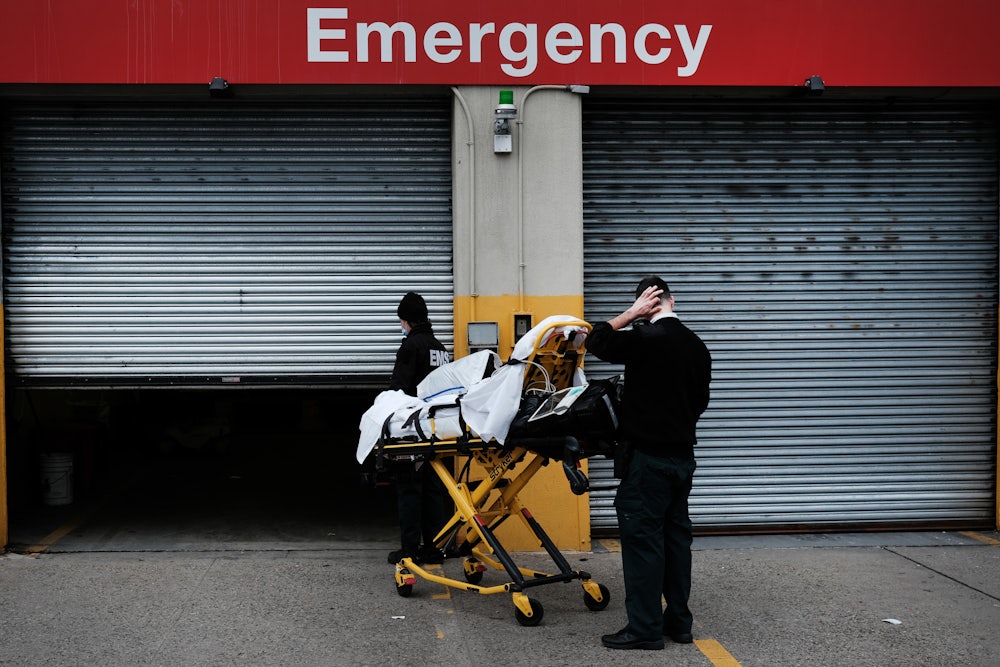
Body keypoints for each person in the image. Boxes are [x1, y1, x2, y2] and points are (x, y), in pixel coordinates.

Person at [585, 276, 712, 651]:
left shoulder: (645, 339)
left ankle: (644, 629)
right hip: (682, 460)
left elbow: (596, 340)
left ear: (646, 305)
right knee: (675, 542)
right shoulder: (697, 345)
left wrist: (629, 314)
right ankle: (679, 623)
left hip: (648, 462)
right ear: (674, 301)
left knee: (643, 543)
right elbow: (700, 403)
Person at [387, 291, 451, 565]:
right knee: (434, 489)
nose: (401, 325)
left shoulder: (410, 347)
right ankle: (434, 548)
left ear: (407, 320)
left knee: (409, 488)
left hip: (413, 429)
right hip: (438, 428)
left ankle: (410, 549)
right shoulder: (440, 348)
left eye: (401, 320)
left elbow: (399, 389)